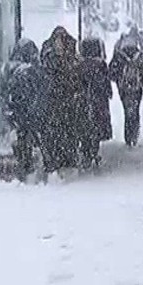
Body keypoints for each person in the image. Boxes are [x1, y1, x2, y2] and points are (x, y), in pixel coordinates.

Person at [0, 38, 46, 179]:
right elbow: (37, 91)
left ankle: (22, 164)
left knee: (20, 136)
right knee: (28, 137)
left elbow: (2, 91)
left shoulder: (7, 68)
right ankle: (27, 166)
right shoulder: (29, 70)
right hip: (27, 111)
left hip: (13, 110)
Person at [41, 26, 83, 175]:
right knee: (60, 130)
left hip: (62, 99)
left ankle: (63, 158)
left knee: (63, 129)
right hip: (60, 99)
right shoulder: (54, 55)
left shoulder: (68, 56)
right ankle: (61, 158)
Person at [78, 37, 113, 169]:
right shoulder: (101, 64)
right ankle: (94, 151)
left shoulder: (80, 65)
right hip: (99, 101)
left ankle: (86, 152)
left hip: (84, 101)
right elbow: (105, 83)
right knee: (97, 127)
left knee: (85, 126)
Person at [109, 37, 143, 146]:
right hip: (137, 88)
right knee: (135, 110)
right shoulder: (139, 55)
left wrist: (119, 79)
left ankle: (128, 136)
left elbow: (111, 73)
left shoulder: (118, 56)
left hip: (124, 89)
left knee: (127, 111)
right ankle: (134, 134)